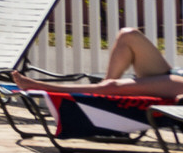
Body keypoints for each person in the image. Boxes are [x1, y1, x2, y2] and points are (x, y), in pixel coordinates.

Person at [12, 28, 183, 100]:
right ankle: (104, 91)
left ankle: (42, 87)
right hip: (175, 73)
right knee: (128, 35)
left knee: (114, 86)